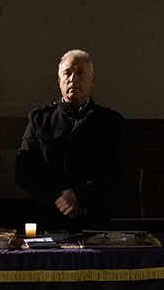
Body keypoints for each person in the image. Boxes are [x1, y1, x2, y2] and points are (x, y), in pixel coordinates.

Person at [14, 49, 125, 231]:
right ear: (59, 81)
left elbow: (117, 172)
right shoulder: (40, 120)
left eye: (80, 73)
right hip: (49, 218)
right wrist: (60, 199)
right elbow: (24, 171)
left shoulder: (110, 122)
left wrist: (81, 196)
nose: (73, 79)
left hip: (94, 218)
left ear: (91, 80)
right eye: (67, 73)